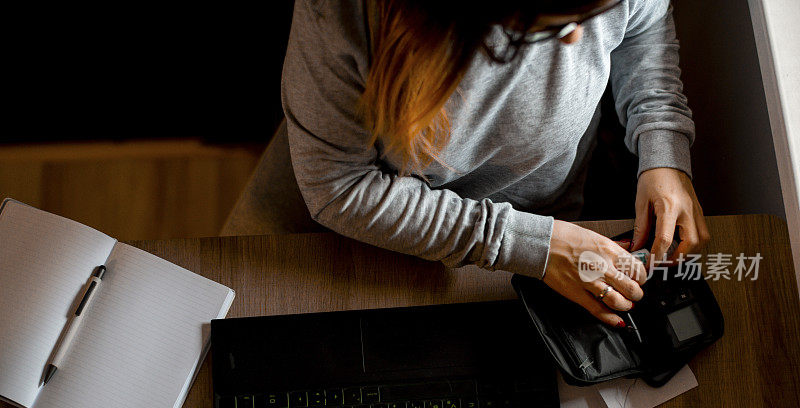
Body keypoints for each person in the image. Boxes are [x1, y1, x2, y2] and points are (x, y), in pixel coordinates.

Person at [227, 0, 709, 327]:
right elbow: (340, 190)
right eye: (547, 24)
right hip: (361, 232)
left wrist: (662, 150)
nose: (576, 39)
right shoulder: (344, 16)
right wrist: (533, 246)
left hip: (548, 223)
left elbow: (644, 23)